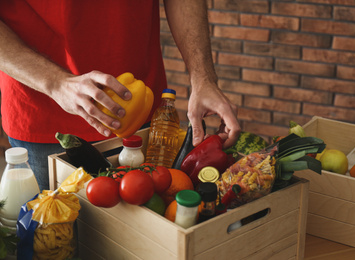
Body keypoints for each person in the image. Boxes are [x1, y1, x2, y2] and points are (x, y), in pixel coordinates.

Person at [0, 0, 240, 191]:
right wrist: (56, 82)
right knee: (56, 243)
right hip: (44, 115)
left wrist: (203, 78)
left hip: (140, 115)